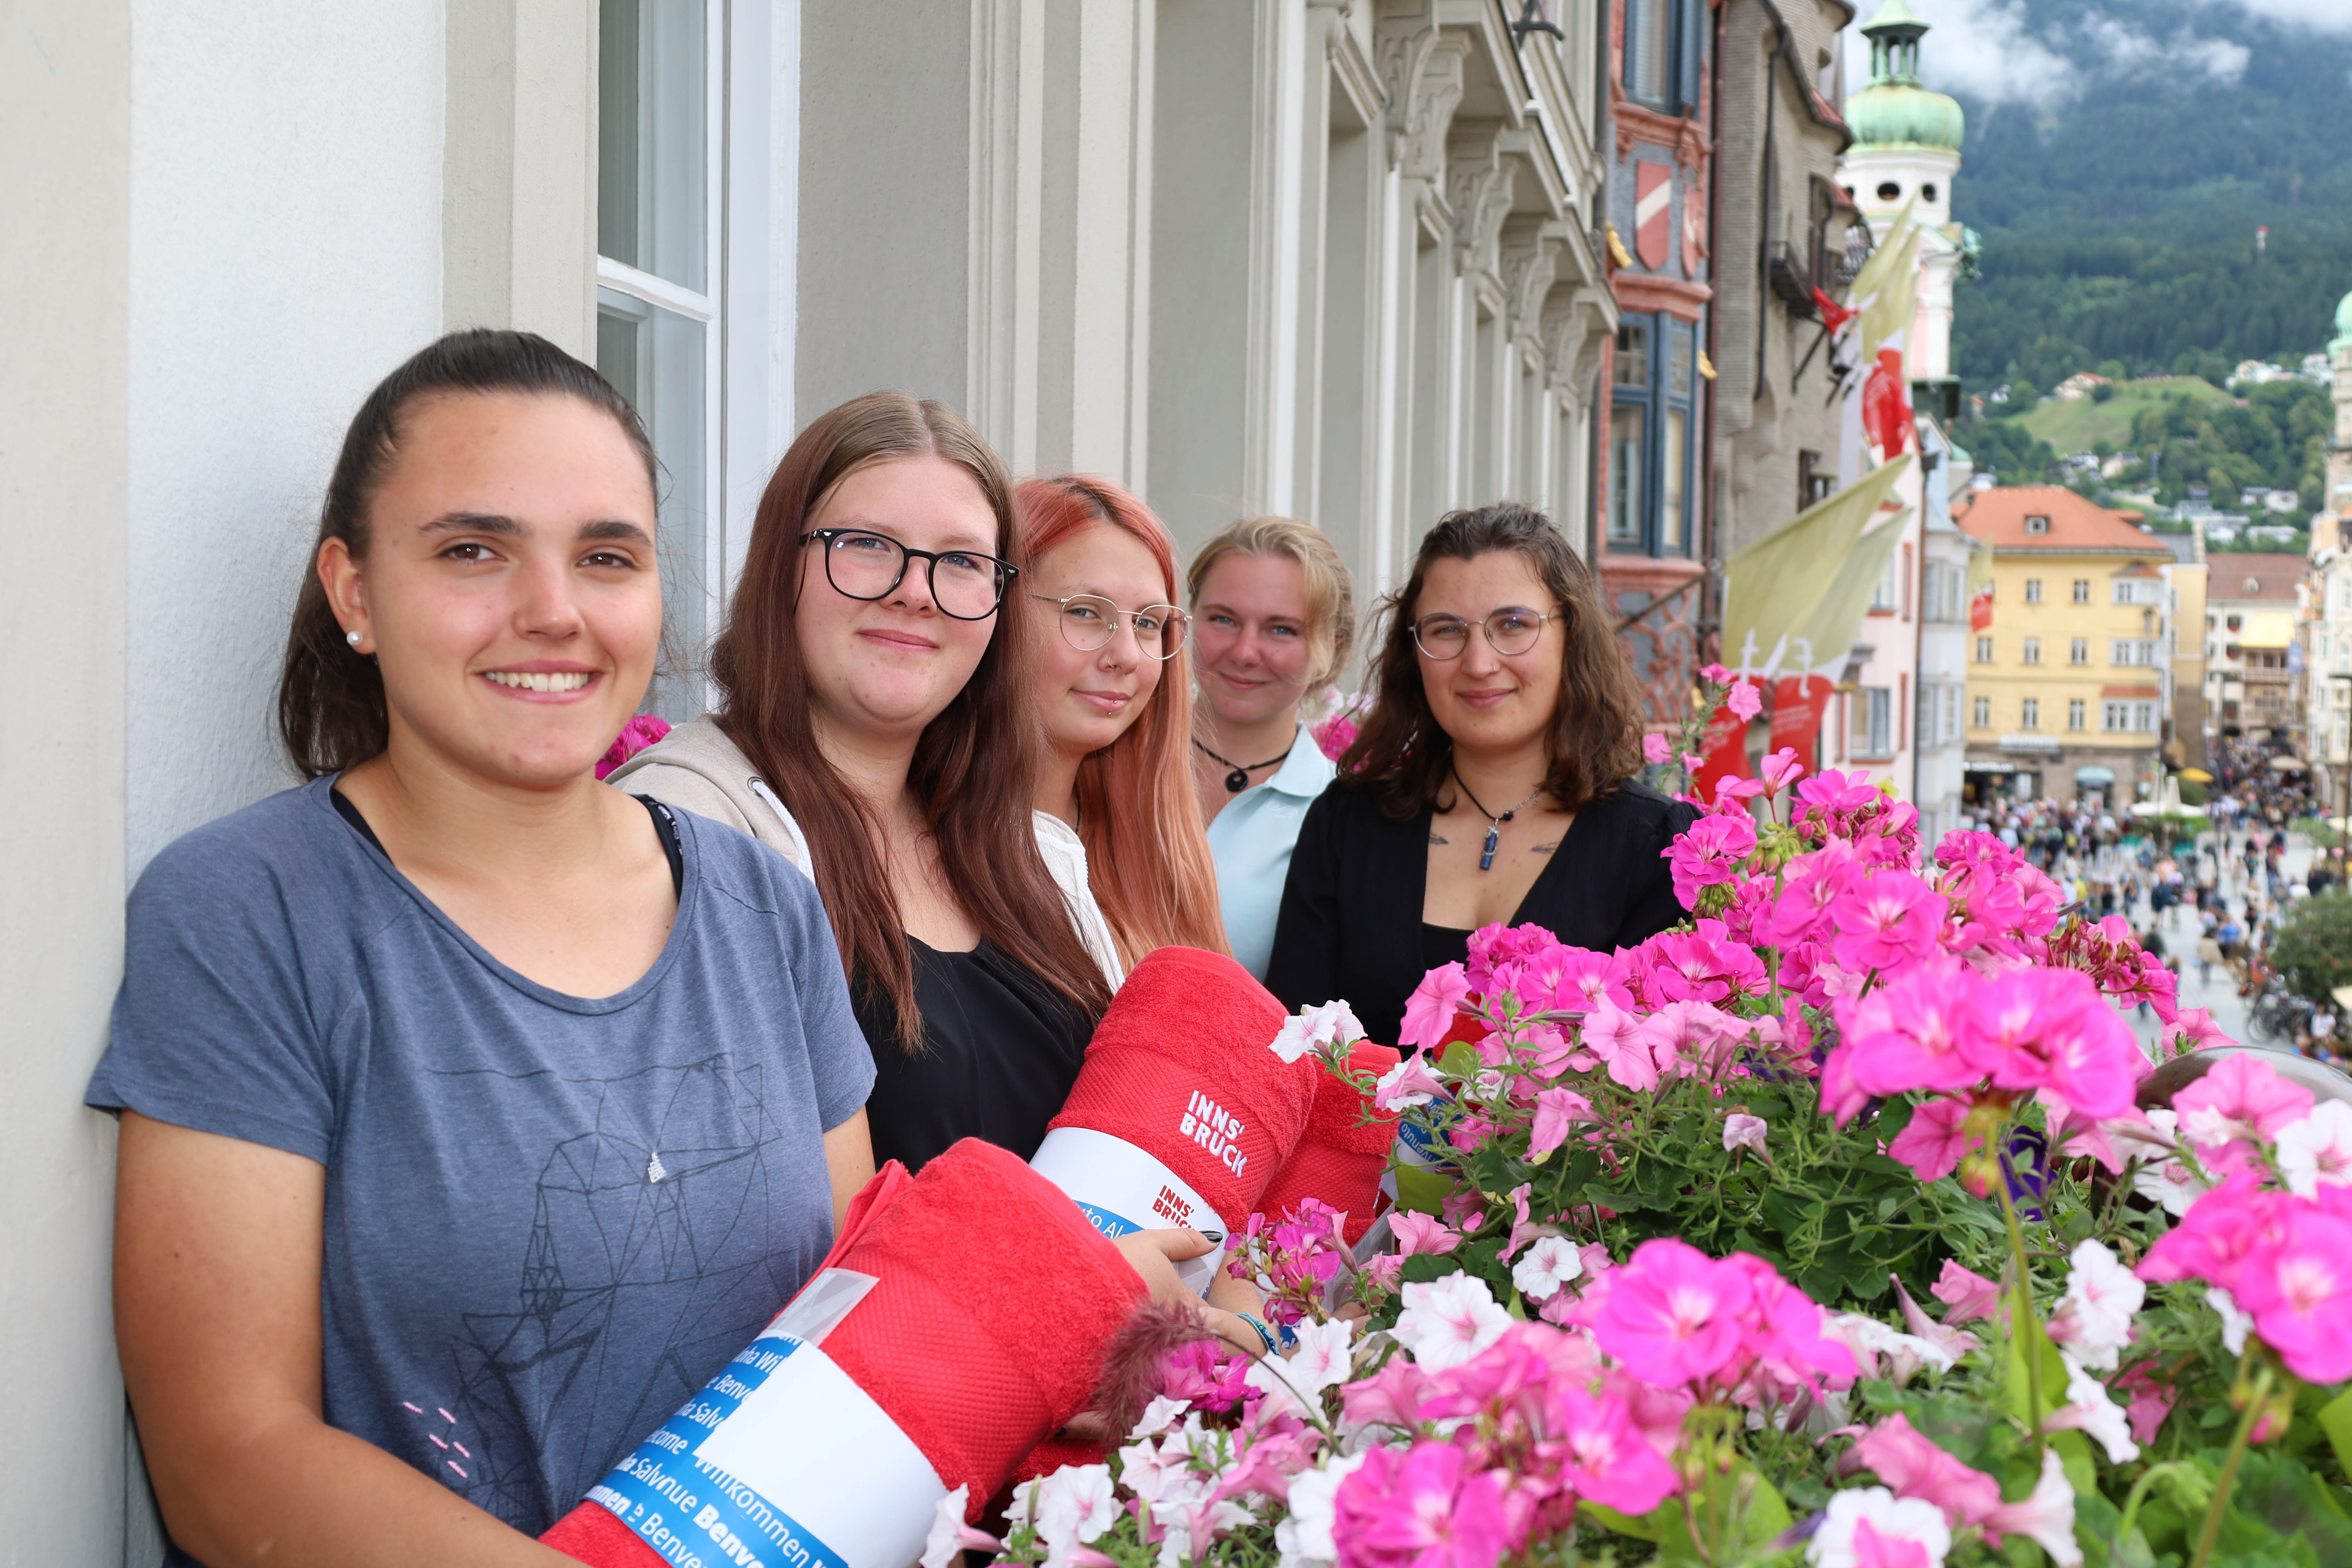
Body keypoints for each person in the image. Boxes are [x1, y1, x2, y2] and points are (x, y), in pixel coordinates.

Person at [86, 331, 881, 1563]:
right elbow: (227, 1462)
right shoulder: (251, 912)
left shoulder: (764, 905)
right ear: (356, 592)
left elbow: (846, 1332)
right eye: (473, 550)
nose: (554, 612)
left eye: (606, 557)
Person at [609, 395, 1122, 1173]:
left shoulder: (1038, 858)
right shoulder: (687, 830)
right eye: (868, 544)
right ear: (783, 565)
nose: (915, 590)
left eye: (962, 562)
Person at [1266, 503, 1698, 1048]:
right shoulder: (1347, 825)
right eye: (1446, 630)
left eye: (1513, 625)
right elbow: (1293, 1045)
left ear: (1572, 637)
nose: (1478, 663)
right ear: (1414, 653)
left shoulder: (1657, 849)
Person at [1015, 474, 1228, 967]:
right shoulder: (916, 844)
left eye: (1148, 622)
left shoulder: (1155, 852)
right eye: (1086, 612)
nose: (1128, 655)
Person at [1185, 516, 1357, 979]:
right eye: (1223, 619)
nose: (1244, 652)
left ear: (1330, 646)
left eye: (1281, 629)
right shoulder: (1111, 758)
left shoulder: (1341, 818)